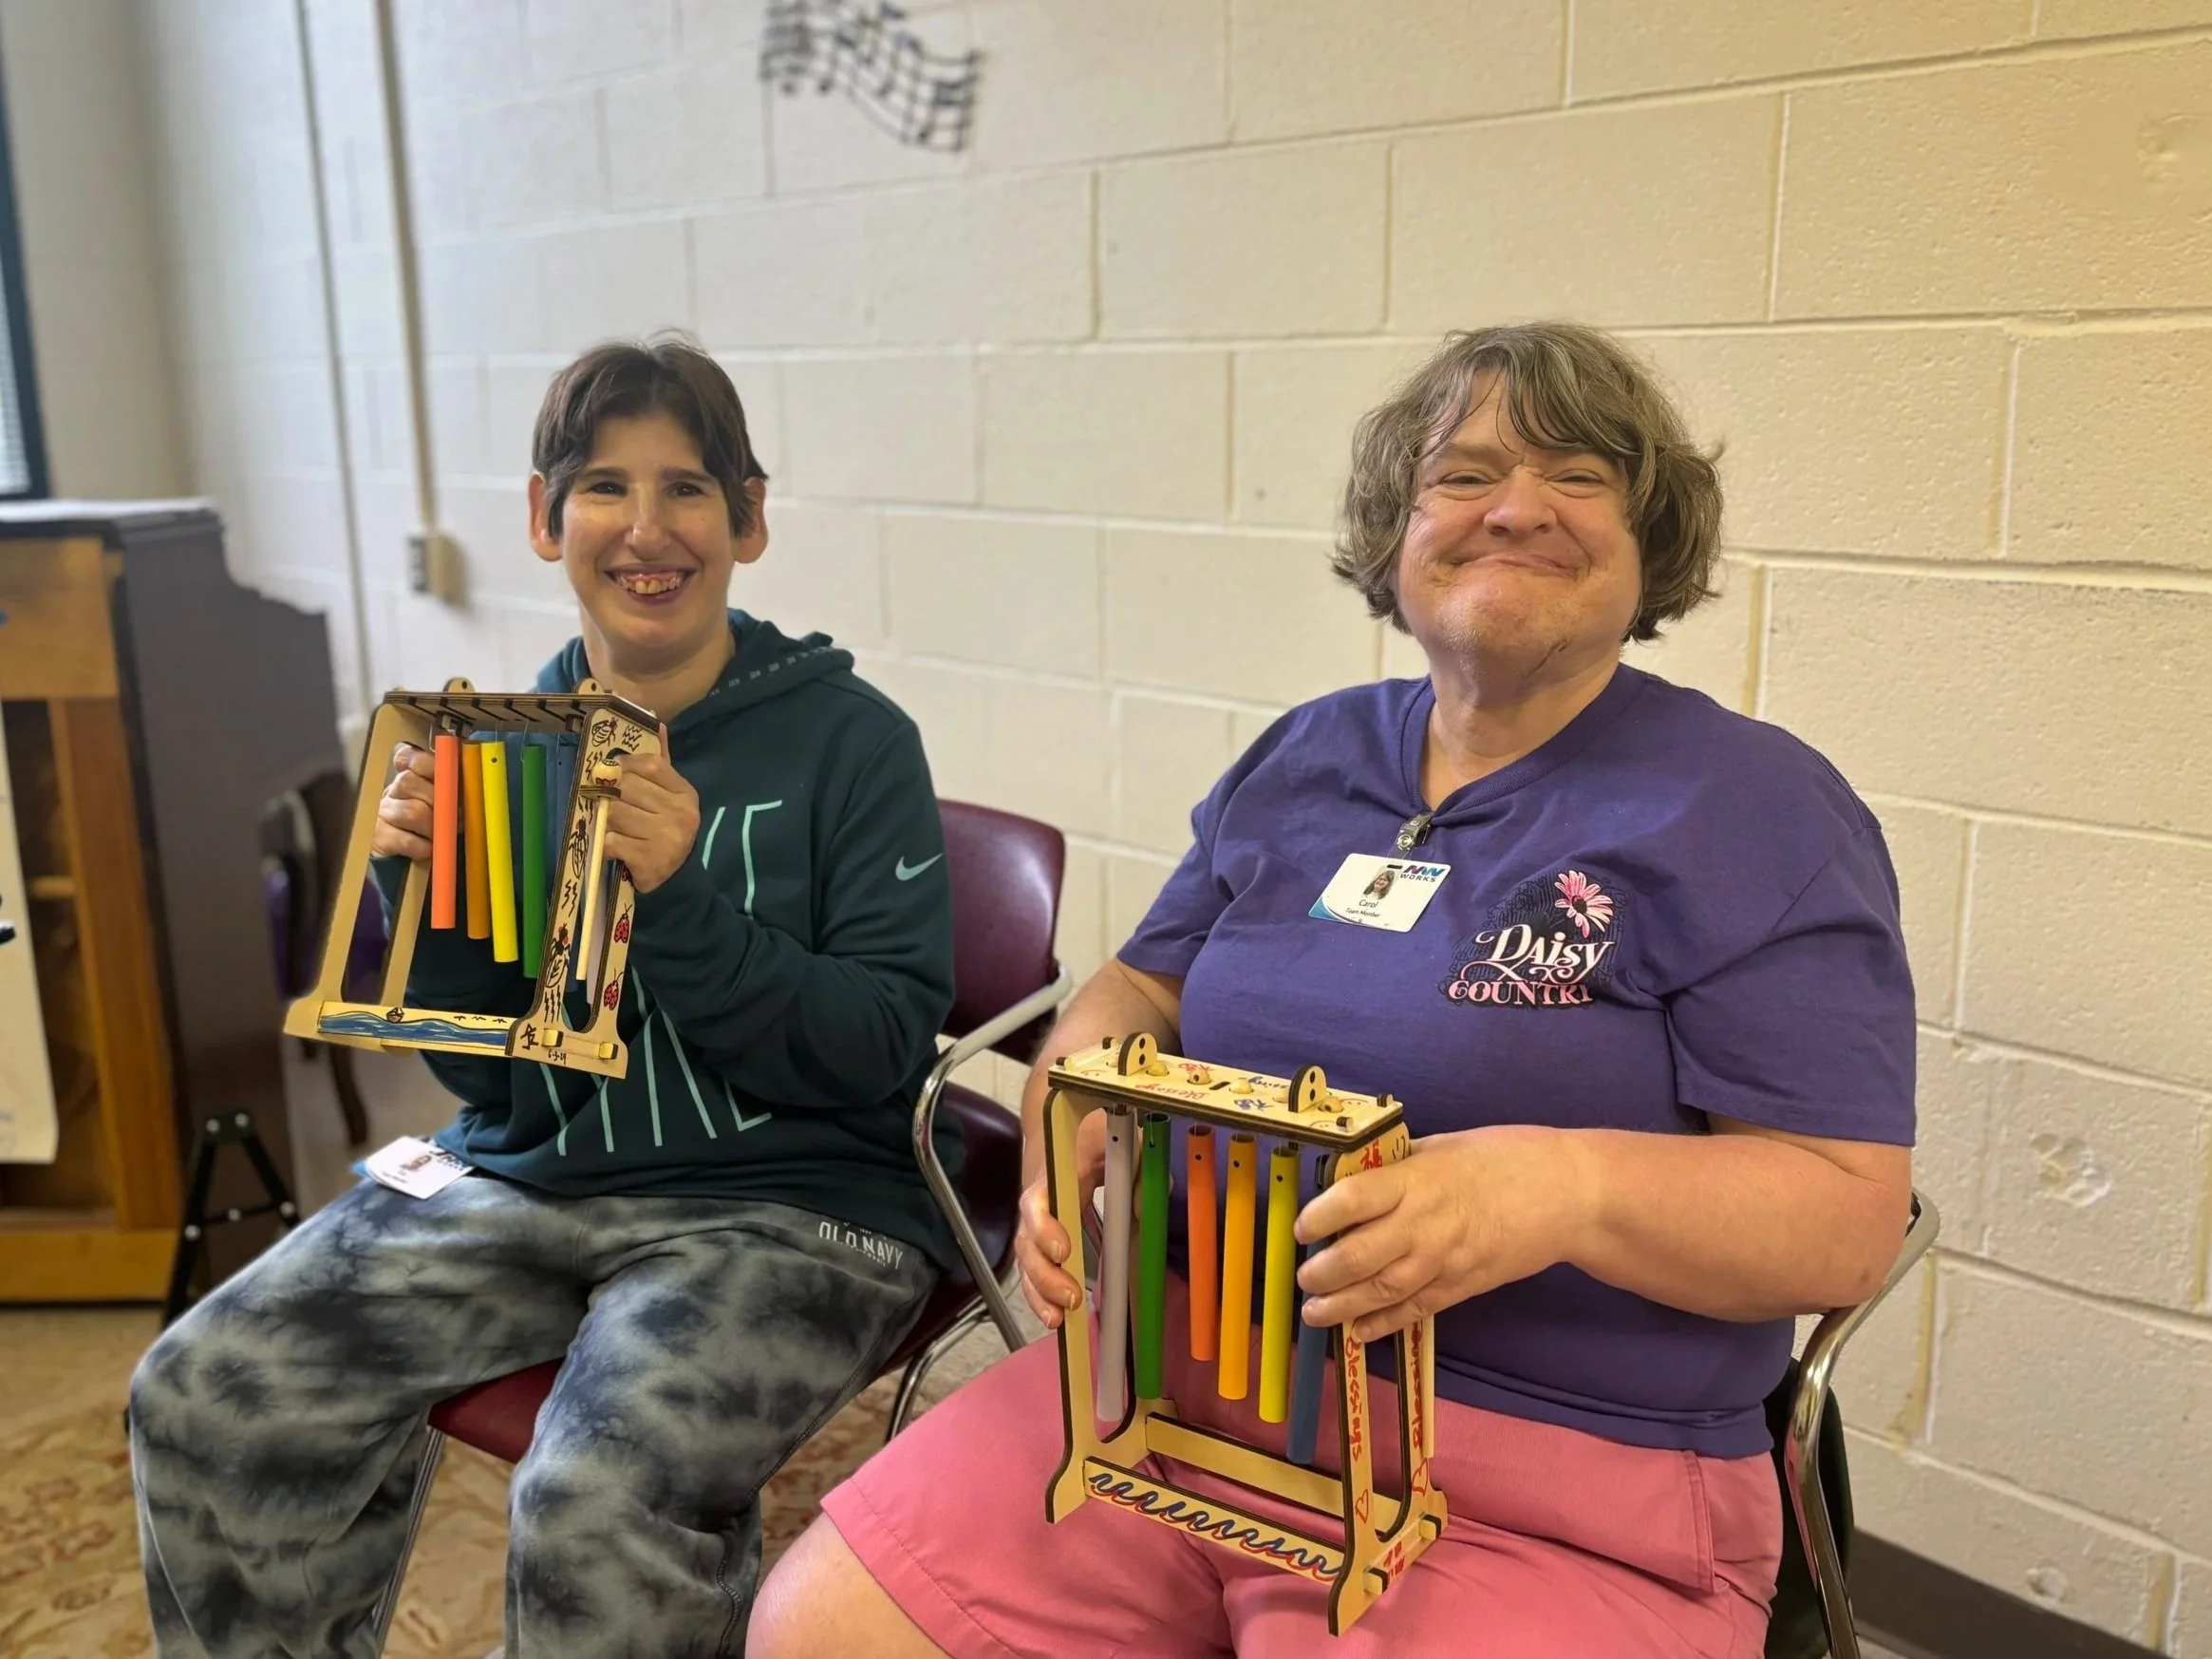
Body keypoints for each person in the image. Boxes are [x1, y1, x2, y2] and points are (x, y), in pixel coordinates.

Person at [749, 322, 1917, 1658]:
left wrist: (1557, 1187)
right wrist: (1075, 1101)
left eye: (1576, 475)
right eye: (1463, 473)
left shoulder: (1752, 807)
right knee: (818, 1624)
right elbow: (1140, 981)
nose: (1516, 508)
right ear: (1396, 529)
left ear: (1650, 537)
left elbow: (1843, 1218)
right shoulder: (1309, 756)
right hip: (1176, 1393)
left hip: (1553, 1477)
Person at [130, 336, 956, 1657]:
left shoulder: (853, 741)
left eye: (687, 488)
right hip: (535, 1178)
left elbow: (873, 1050)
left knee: (593, 1496)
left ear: (747, 521)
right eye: (601, 488)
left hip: (792, 1207)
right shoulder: (513, 745)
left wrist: (679, 894)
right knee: (205, 1389)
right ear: (542, 517)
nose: (645, 529)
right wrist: (421, 897)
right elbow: (501, 1081)